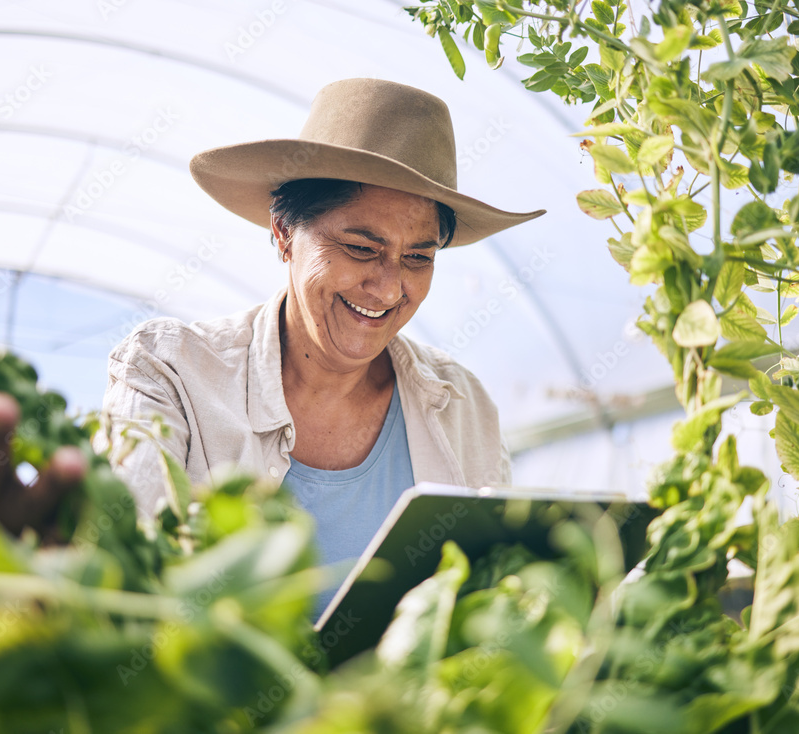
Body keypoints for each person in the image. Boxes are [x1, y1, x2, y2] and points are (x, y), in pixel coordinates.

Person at [101, 78, 544, 596]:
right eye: (360, 248)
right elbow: (126, 572)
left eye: (418, 258)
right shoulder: (171, 373)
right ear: (285, 233)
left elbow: (487, 598)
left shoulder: (462, 406)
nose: (387, 287)